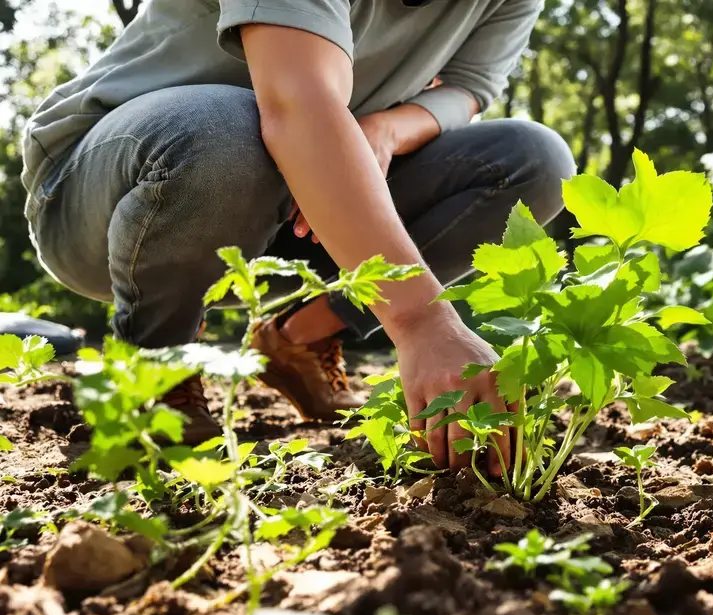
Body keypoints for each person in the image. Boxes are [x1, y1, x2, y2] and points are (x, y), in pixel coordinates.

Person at [20, 0, 574, 475]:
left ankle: (301, 335)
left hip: (305, 201)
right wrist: (422, 321)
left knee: (533, 163)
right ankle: (153, 369)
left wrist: (387, 129)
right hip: (113, 188)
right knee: (227, 127)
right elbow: (295, 103)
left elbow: (469, 86)